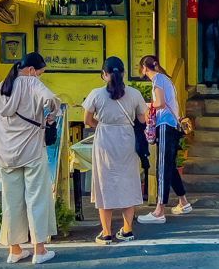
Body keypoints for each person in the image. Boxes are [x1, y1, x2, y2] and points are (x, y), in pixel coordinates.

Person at [0, 52, 60, 265]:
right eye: (40, 73)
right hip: (32, 152)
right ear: (31, 70)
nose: (39, 77)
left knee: (11, 202)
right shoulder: (31, 83)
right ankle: (39, 251)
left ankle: (15, 250)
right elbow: (52, 100)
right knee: (37, 198)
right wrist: (52, 115)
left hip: (6, 154)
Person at [82, 56, 147, 245]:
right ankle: (127, 231)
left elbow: (87, 120)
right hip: (126, 139)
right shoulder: (134, 94)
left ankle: (106, 233)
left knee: (105, 183)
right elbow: (142, 120)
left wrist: (102, 125)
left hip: (104, 140)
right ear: (124, 73)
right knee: (128, 182)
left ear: (104, 74)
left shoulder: (96, 94)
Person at [137, 55, 191, 223]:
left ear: (145, 68)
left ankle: (159, 211)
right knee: (170, 166)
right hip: (173, 126)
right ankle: (184, 202)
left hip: (165, 126)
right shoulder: (167, 79)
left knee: (162, 167)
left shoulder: (158, 78)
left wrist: (145, 105)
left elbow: (159, 103)